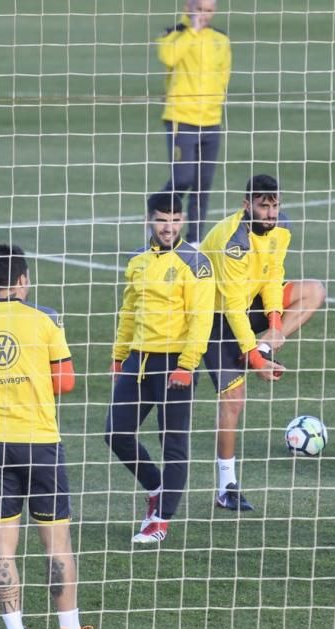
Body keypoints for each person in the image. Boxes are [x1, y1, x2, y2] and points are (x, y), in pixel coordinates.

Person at [0, 244, 113, 629]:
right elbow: (65, 382)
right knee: (56, 543)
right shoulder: (44, 321)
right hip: (40, 444)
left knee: (3, 546)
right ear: (24, 280)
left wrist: (0, 381)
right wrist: (31, 379)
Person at [200, 174, 326, 510]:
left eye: (274, 206)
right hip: (213, 316)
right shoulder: (233, 243)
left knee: (314, 290)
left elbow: (273, 275)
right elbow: (233, 309)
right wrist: (255, 360)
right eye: (263, 206)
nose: (270, 213)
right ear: (247, 206)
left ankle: (266, 347)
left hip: (248, 303)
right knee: (233, 400)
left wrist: (273, 328)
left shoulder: (280, 228)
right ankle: (226, 487)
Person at [105, 191, 215, 544]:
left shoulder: (195, 263)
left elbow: (201, 319)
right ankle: (155, 486)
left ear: (182, 222)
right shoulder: (137, 261)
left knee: (174, 444)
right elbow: (128, 311)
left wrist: (186, 365)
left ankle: (160, 520)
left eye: (175, 220)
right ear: (150, 221)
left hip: (175, 364)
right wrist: (120, 355)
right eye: (162, 220)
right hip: (138, 361)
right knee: (115, 432)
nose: (168, 227)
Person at [157, 0, 231, 245]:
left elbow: (224, 75)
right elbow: (168, 57)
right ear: (189, 7)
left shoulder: (220, 39)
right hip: (181, 119)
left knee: (203, 184)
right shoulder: (174, 35)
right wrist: (192, 31)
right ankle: (157, 216)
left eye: (209, 11)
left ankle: (195, 240)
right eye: (200, 9)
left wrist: (216, 103)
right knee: (183, 179)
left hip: (211, 122)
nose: (204, 15)